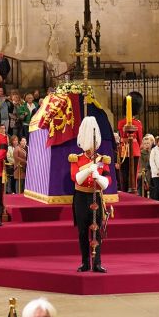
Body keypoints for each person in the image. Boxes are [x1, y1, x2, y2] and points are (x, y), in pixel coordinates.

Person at [70, 117, 111, 273]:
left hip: (96, 197)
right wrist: (88, 169)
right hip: (81, 197)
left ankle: (97, 262)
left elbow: (107, 181)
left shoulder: (102, 160)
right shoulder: (76, 158)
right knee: (82, 232)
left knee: (97, 230)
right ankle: (85, 262)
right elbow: (76, 178)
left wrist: (98, 176)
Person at [115, 91, 144, 193]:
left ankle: (124, 191)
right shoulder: (138, 123)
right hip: (134, 149)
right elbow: (140, 139)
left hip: (123, 150)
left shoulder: (121, 122)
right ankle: (133, 190)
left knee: (124, 174)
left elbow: (120, 136)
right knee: (133, 173)